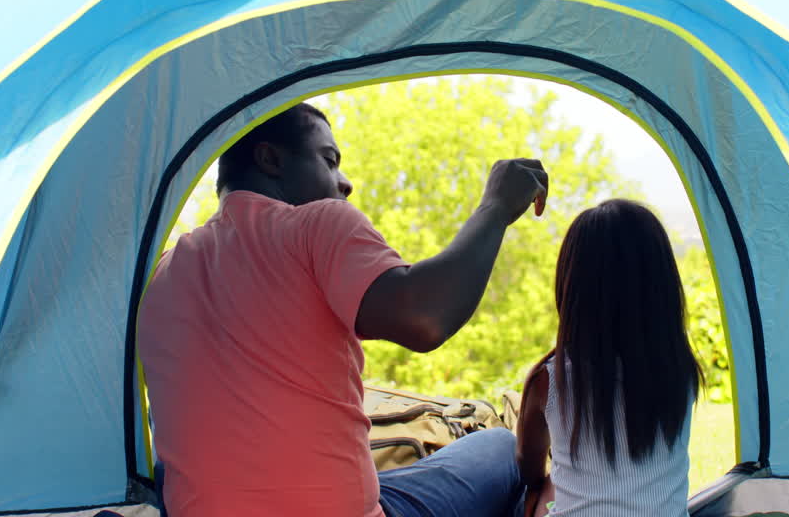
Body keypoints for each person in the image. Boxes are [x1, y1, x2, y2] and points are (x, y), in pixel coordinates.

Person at [137, 102, 548, 517]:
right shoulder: (312, 226)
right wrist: (496, 206)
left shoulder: (161, 274)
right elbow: (426, 318)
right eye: (329, 160)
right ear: (270, 159)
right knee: (500, 448)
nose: (345, 183)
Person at [515, 199, 703, 517]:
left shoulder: (550, 379)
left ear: (572, 288)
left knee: (535, 488)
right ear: (663, 287)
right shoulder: (681, 372)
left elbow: (528, 472)